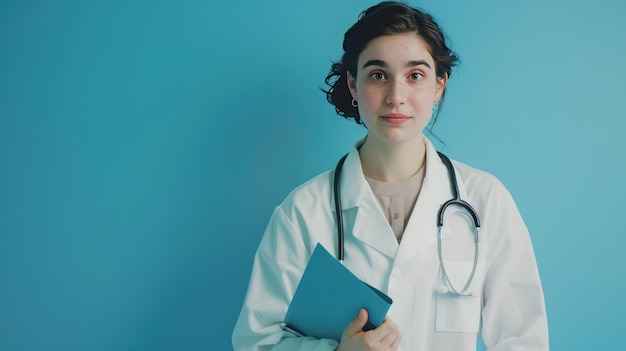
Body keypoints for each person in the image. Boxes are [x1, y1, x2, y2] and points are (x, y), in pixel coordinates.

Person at [232, 1, 549, 350]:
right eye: (378, 75)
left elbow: (524, 340)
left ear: (439, 85)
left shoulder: (486, 201)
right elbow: (256, 342)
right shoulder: (303, 212)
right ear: (353, 85)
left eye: (415, 76)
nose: (396, 97)